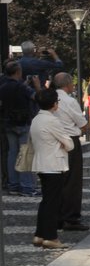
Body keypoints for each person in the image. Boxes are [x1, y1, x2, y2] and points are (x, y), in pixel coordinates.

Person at [28, 87, 78, 250]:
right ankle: (50, 237)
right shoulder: (52, 120)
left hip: (42, 163)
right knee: (53, 203)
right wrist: (63, 144)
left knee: (46, 201)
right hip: (54, 164)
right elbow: (69, 144)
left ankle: (40, 234)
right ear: (53, 104)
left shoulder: (36, 119)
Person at [52, 73, 90, 234]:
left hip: (52, 141)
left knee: (56, 180)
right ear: (68, 85)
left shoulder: (50, 99)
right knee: (72, 181)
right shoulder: (69, 101)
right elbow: (82, 123)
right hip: (69, 139)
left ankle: (57, 216)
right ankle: (71, 217)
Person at [2, 61, 39, 196]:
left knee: (12, 153)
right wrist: (37, 86)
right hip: (22, 123)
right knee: (25, 154)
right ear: (18, 72)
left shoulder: (3, 86)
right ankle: (26, 186)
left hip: (8, 122)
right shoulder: (22, 88)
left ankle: (13, 184)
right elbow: (36, 97)